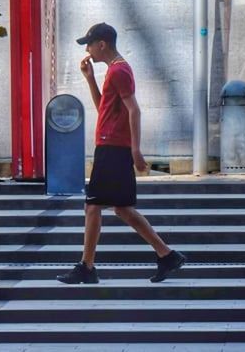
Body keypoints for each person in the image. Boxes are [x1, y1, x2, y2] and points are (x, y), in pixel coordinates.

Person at [57, 22, 186, 284]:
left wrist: (136, 150)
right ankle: (166, 255)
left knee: (92, 205)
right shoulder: (115, 71)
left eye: (89, 44)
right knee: (122, 209)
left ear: (101, 44)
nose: (88, 50)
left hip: (113, 147)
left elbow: (134, 110)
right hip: (112, 146)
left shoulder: (119, 72)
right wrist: (90, 78)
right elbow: (104, 108)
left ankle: (87, 267)